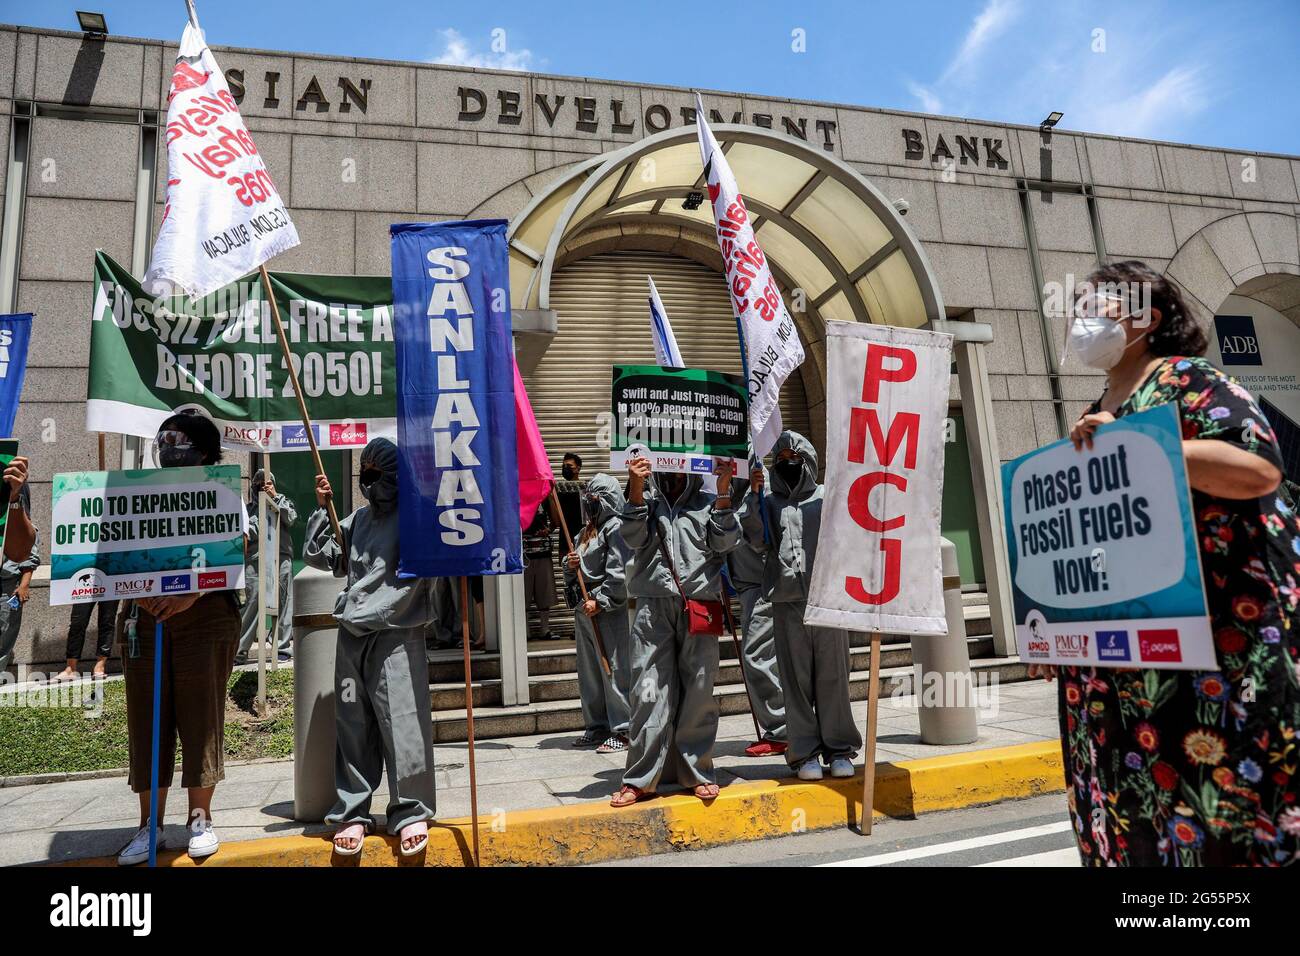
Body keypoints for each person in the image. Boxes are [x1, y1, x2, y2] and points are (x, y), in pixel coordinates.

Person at [1040, 259, 1300, 866]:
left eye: (1097, 306)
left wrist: (1137, 445)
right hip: (1122, 671)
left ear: (1145, 318)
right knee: (1133, 823)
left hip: (1209, 659)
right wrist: (1061, 631)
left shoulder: (1189, 380)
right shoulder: (1099, 402)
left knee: (1212, 814)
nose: (1081, 320)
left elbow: (1259, 469)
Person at [116, 412, 242, 865]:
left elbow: (234, 548)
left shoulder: (224, 491)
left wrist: (189, 595)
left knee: (201, 717)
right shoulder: (137, 490)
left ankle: (199, 818)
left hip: (205, 616)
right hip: (144, 617)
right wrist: (139, 593)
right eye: (164, 437)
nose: (169, 444)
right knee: (147, 718)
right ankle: (149, 826)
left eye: (180, 438)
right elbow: (118, 550)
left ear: (205, 451)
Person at [303, 438, 438, 857]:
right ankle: (353, 811)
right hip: (352, 633)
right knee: (353, 724)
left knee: (402, 721)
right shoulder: (357, 520)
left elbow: (427, 570)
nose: (368, 481)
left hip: (397, 630)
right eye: (363, 473)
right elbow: (320, 555)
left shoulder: (416, 519)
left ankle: (410, 809)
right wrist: (322, 508)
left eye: (376, 473)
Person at [611, 457, 738, 807]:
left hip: (699, 606)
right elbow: (632, 538)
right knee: (647, 689)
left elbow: (726, 543)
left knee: (699, 689)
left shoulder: (707, 502)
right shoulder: (644, 503)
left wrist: (724, 493)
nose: (674, 471)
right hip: (652, 606)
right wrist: (636, 488)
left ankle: (696, 772)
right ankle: (640, 778)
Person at [740, 432, 860, 781]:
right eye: (781, 458)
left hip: (826, 599)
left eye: (794, 457)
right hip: (786, 602)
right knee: (793, 681)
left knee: (833, 676)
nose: (787, 463)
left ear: (807, 460)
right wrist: (754, 496)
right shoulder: (768, 502)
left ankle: (839, 749)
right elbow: (758, 541)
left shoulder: (826, 497)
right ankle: (804, 752)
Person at [564, 474, 632, 753]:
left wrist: (601, 600)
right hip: (584, 608)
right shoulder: (585, 531)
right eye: (588, 500)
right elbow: (574, 571)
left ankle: (625, 729)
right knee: (590, 672)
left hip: (605, 609)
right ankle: (597, 726)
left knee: (613, 668)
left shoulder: (616, 528)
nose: (590, 505)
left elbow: (620, 572)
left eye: (595, 500)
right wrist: (570, 565)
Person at [726, 467, 788, 758]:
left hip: (763, 587)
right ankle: (779, 727)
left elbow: (755, 534)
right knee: (761, 657)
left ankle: (781, 731)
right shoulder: (731, 497)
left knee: (758, 656)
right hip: (747, 589)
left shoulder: (758, 498)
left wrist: (752, 492)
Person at [235, 469, 298, 665]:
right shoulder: (247, 510)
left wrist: (275, 499)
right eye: (257, 482)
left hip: (280, 557)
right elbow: (248, 531)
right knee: (251, 602)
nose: (261, 485)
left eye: (266, 482)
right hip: (255, 559)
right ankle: (239, 651)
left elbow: (291, 518)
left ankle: (282, 648)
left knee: (283, 600)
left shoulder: (283, 501)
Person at [0, 482, 37, 675]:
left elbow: (30, 554)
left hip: (9, 584)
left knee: (6, 630)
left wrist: (24, 584)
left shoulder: (21, 524)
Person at [522, 499, 557, 641]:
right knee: (523, 594)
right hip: (524, 552)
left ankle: (545, 628)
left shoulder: (545, 496)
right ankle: (525, 630)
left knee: (545, 592)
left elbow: (556, 521)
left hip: (543, 550)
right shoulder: (517, 493)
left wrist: (548, 530)